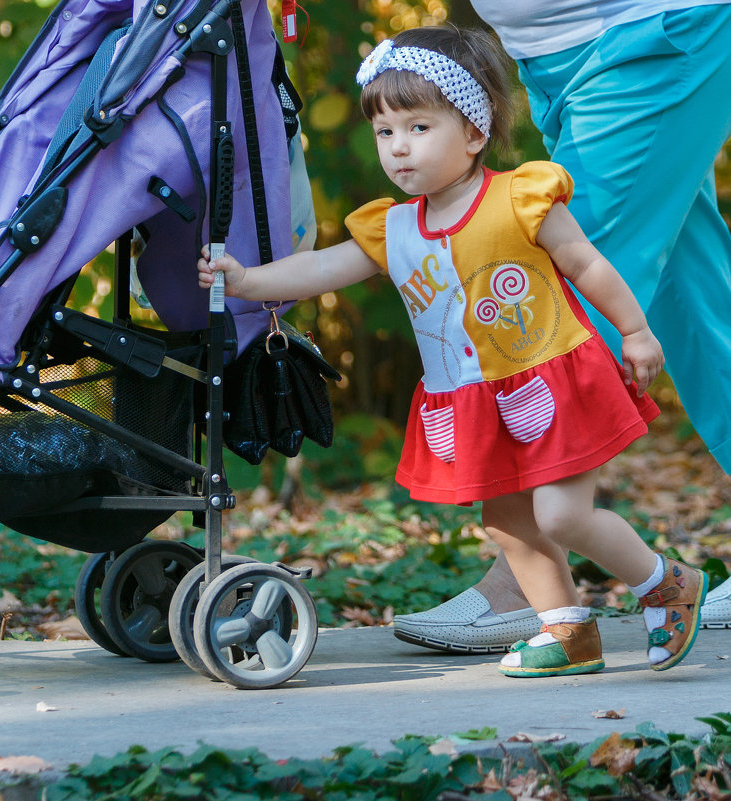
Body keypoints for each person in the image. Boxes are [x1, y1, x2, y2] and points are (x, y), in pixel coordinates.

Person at [199, 25, 709, 676]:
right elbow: (321, 268)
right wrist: (246, 281)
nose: (398, 148)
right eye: (386, 132)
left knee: (558, 512)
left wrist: (634, 331)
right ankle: (569, 632)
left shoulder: (518, 198)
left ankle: (666, 584)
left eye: (418, 127)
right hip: (472, 396)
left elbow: (587, 263)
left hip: (553, 379)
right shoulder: (394, 225)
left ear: (472, 131)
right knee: (508, 522)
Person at [393, 2, 731, 654]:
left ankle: (528, 576)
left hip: (650, 33)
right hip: (553, 52)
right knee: (695, 300)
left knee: (552, 289)